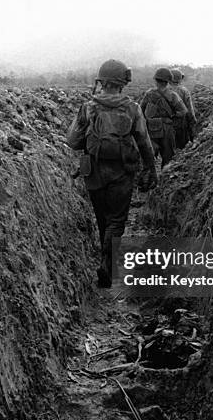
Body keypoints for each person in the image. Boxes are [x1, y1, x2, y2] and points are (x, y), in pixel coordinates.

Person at [66, 60, 157, 288]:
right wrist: (150, 168)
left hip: (94, 171)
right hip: (122, 172)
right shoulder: (133, 108)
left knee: (102, 218)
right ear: (122, 84)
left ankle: (104, 260)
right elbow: (144, 142)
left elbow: (73, 141)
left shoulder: (89, 107)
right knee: (116, 221)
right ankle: (109, 263)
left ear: (102, 82)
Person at [139, 68, 187, 167]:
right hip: (167, 128)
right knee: (168, 157)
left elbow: (140, 110)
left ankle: (148, 178)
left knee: (149, 157)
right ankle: (165, 180)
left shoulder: (149, 94)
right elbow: (183, 111)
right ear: (168, 81)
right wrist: (173, 116)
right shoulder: (172, 95)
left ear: (156, 80)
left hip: (151, 128)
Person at [170, 69, 197, 148]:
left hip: (165, 125)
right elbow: (189, 109)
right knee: (181, 147)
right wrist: (192, 121)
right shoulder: (184, 91)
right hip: (180, 124)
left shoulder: (163, 90)